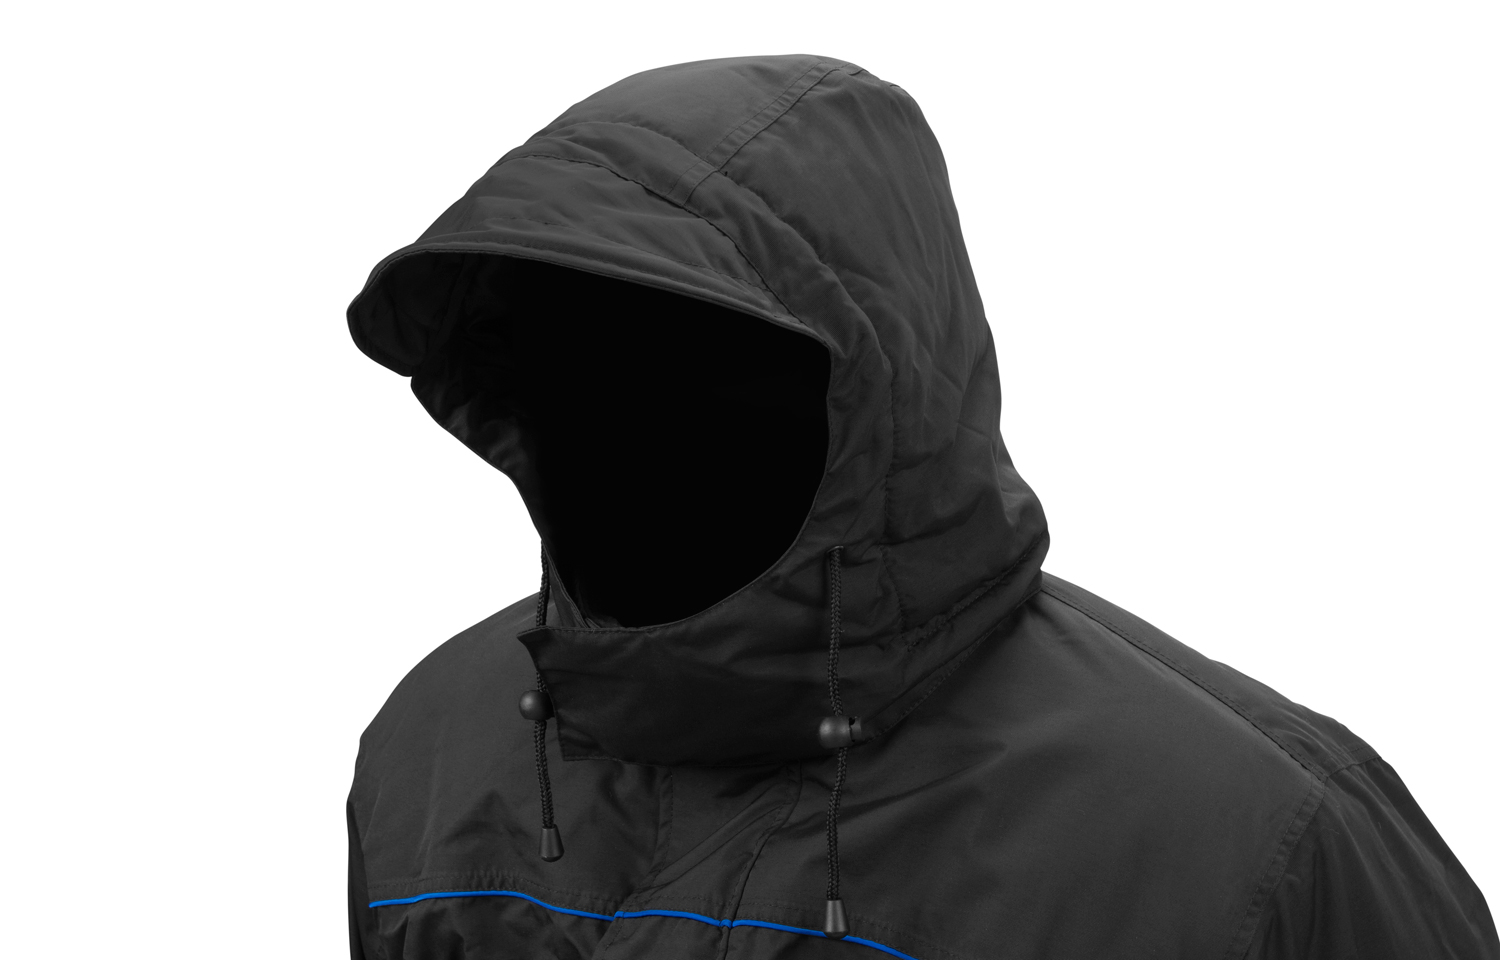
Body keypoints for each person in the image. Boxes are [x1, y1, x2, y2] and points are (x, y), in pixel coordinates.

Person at [344, 55, 1498, 960]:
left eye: (697, 363)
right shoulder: (436, 747)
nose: (621, 425)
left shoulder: (1253, 844)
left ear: (884, 387)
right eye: (569, 361)